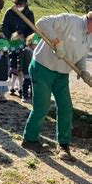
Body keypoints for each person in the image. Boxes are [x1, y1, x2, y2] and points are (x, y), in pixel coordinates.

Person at [22, 12, 92, 161]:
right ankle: (30, 139)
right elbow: (41, 22)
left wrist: (83, 70)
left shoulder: (89, 35)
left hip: (62, 74)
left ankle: (63, 145)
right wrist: (56, 42)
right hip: (42, 67)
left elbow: (80, 56)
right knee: (42, 106)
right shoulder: (70, 21)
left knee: (66, 108)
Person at [17, 33, 36, 102]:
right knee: (26, 84)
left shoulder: (37, 51)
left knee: (33, 85)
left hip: (35, 71)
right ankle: (24, 96)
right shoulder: (24, 51)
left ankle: (32, 96)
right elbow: (20, 61)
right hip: (26, 70)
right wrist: (20, 70)